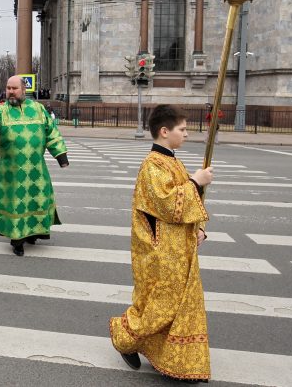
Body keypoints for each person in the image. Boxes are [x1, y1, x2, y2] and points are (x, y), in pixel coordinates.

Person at [110, 104, 213, 382]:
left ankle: (180, 362)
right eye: (183, 129)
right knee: (163, 305)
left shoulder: (173, 161)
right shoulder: (152, 165)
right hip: (161, 252)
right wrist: (195, 182)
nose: (187, 134)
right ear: (165, 132)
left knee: (184, 304)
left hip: (180, 247)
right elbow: (168, 204)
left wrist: (199, 228)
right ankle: (124, 336)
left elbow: (188, 206)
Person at [0, 76, 69, 256]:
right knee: (17, 204)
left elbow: (51, 131)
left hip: (37, 169)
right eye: (8, 88)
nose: (10, 92)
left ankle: (33, 233)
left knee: (37, 200)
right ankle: (17, 240)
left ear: (24, 90)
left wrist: (61, 155)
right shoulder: (1, 111)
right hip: (12, 172)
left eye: (14, 88)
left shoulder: (38, 109)